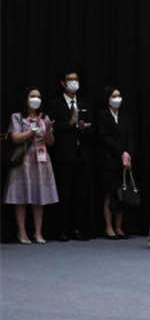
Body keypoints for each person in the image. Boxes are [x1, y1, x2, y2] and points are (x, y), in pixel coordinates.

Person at [4, 87, 58, 243]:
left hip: (41, 160)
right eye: (33, 96)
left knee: (39, 196)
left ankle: (38, 232)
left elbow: (50, 142)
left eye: (39, 96)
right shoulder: (18, 117)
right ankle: (22, 233)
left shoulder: (44, 117)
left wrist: (47, 129)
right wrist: (31, 132)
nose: (36, 99)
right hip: (23, 160)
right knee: (21, 197)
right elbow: (15, 138)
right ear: (26, 99)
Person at [46, 70, 93, 241]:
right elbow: (51, 129)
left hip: (82, 154)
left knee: (80, 193)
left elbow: (92, 128)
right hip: (63, 154)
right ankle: (61, 229)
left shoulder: (84, 102)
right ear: (63, 83)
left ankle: (77, 228)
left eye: (76, 79)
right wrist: (69, 124)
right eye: (70, 79)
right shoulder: (55, 104)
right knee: (64, 192)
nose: (74, 82)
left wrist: (84, 127)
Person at [96, 87, 134, 239]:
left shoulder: (125, 115)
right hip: (108, 159)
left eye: (119, 95)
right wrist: (121, 153)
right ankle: (108, 226)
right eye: (114, 96)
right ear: (108, 98)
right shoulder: (102, 115)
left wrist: (128, 154)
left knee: (121, 194)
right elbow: (104, 137)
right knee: (109, 194)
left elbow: (130, 136)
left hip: (125, 161)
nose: (117, 98)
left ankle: (119, 227)